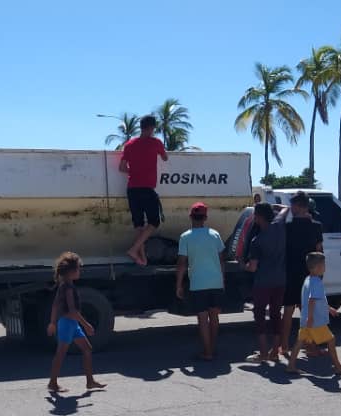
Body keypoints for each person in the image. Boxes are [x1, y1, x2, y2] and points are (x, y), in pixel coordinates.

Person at [46, 252, 107, 393]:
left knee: (87, 349)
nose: (80, 271)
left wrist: (52, 323)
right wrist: (86, 325)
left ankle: (90, 381)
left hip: (71, 324)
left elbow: (55, 305)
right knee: (61, 353)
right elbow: (72, 311)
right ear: (71, 271)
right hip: (68, 323)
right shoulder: (68, 288)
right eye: (78, 269)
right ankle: (52, 383)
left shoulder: (64, 285)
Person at [175, 202, 226, 361]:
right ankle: (213, 347)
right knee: (215, 317)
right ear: (205, 217)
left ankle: (207, 351)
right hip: (216, 282)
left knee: (203, 319)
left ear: (190, 217)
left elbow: (182, 263)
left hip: (198, 283)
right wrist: (222, 279)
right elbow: (222, 259)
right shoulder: (215, 234)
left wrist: (178, 285)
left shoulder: (185, 237)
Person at [285, 253, 341, 376]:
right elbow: (312, 300)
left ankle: (291, 365)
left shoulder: (308, 279)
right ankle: (337, 366)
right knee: (331, 340)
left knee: (299, 342)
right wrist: (311, 317)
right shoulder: (316, 282)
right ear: (317, 267)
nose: (325, 268)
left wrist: (329, 308)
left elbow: (318, 299)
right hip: (315, 320)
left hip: (306, 319)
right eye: (324, 265)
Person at [118, 115, 168, 266]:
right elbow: (165, 158)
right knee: (154, 221)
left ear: (140, 126)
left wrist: (134, 172)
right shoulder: (156, 143)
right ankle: (134, 250)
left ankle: (142, 258)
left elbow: (121, 168)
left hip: (132, 188)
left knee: (139, 224)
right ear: (152, 128)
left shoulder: (129, 144)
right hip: (147, 188)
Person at [279, 192, 323, 357]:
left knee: (288, 311)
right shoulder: (317, 226)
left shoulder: (288, 226)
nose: (291, 209)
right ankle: (309, 345)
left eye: (293, 206)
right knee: (308, 312)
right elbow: (319, 250)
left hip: (291, 272)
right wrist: (320, 275)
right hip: (309, 273)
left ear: (299, 206)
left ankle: (284, 346)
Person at [245, 202, 286, 363]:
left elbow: (253, 267)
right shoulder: (280, 227)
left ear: (259, 217)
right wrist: (274, 205)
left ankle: (263, 352)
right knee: (276, 314)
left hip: (263, 282)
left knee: (260, 314)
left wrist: (243, 265)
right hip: (280, 280)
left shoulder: (257, 240)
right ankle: (275, 351)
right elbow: (286, 209)